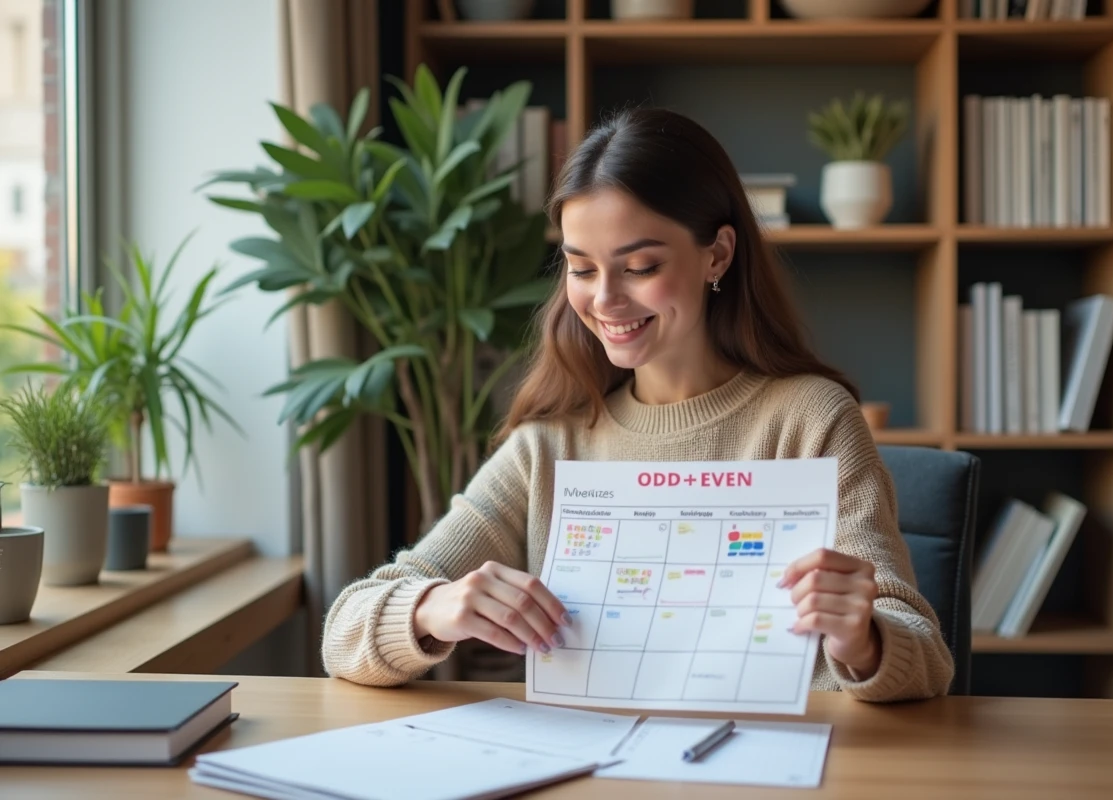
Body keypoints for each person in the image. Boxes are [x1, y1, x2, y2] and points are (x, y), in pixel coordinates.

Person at [321, 107, 954, 702]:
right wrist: (435, 607)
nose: (604, 300)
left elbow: (927, 660)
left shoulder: (812, 420)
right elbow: (342, 635)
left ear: (718, 254)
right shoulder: (549, 446)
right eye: (581, 268)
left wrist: (863, 638)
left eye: (640, 266)